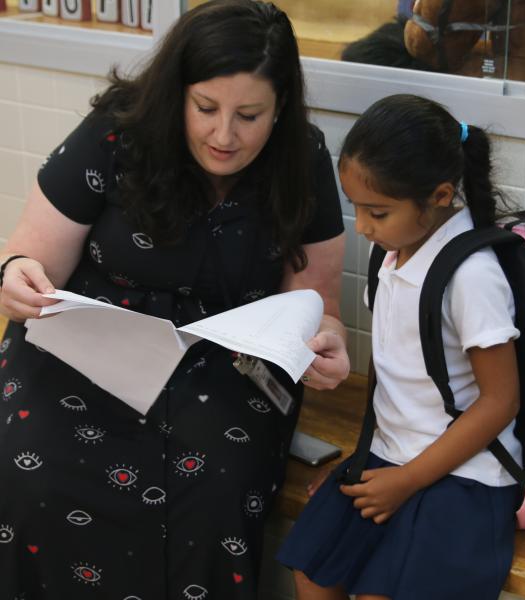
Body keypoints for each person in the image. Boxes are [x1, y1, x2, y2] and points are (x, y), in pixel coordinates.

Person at [0, 1, 349, 597]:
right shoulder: (118, 132)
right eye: (206, 108)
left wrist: (328, 344)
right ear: (177, 92)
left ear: (281, 107)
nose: (224, 135)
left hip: (225, 359)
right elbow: (30, 259)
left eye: (249, 115)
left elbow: (317, 299)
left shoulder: (302, 158)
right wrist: (17, 278)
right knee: (35, 470)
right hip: (87, 344)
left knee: (213, 493)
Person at [277, 94, 522, 600]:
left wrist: (408, 480)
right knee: (313, 570)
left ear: (438, 195)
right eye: (357, 209)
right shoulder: (390, 252)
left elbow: (502, 401)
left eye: (378, 212)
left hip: (464, 471)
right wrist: (366, 461)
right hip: (390, 454)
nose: (363, 226)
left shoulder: (472, 276)